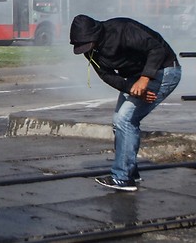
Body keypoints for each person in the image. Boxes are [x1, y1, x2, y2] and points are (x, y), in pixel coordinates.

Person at [70, 14, 181, 192]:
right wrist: (133, 89)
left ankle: (122, 178)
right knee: (118, 121)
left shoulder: (123, 29)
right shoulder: (90, 50)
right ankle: (131, 171)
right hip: (135, 78)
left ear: (96, 33)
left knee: (125, 119)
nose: (86, 49)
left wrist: (145, 80)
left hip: (164, 70)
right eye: (81, 45)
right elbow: (107, 75)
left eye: (88, 43)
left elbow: (157, 49)